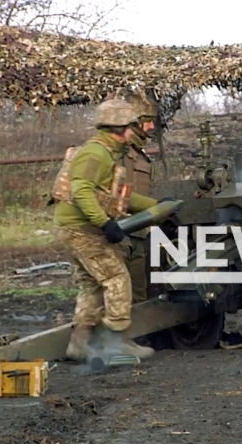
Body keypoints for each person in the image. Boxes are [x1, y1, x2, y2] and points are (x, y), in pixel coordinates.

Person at [51, 98, 159, 361]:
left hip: (77, 227)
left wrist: (156, 207)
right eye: (133, 126)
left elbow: (121, 199)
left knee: (93, 285)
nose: (138, 131)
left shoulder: (107, 153)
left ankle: (79, 344)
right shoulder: (95, 153)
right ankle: (117, 340)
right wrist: (104, 223)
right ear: (121, 127)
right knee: (117, 279)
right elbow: (82, 191)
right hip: (82, 229)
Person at [116, 90, 159, 304]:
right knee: (117, 296)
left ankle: (137, 338)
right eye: (147, 121)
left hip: (138, 233)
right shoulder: (119, 152)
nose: (151, 127)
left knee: (138, 297)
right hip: (120, 232)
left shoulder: (139, 154)